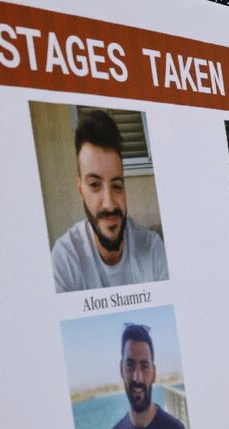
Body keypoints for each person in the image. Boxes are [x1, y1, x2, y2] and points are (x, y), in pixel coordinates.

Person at [51, 110, 169, 293]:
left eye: (117, 185)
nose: (110, 204)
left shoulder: (153, 248)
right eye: (95, 185)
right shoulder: (65, 259)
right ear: (80, 188)